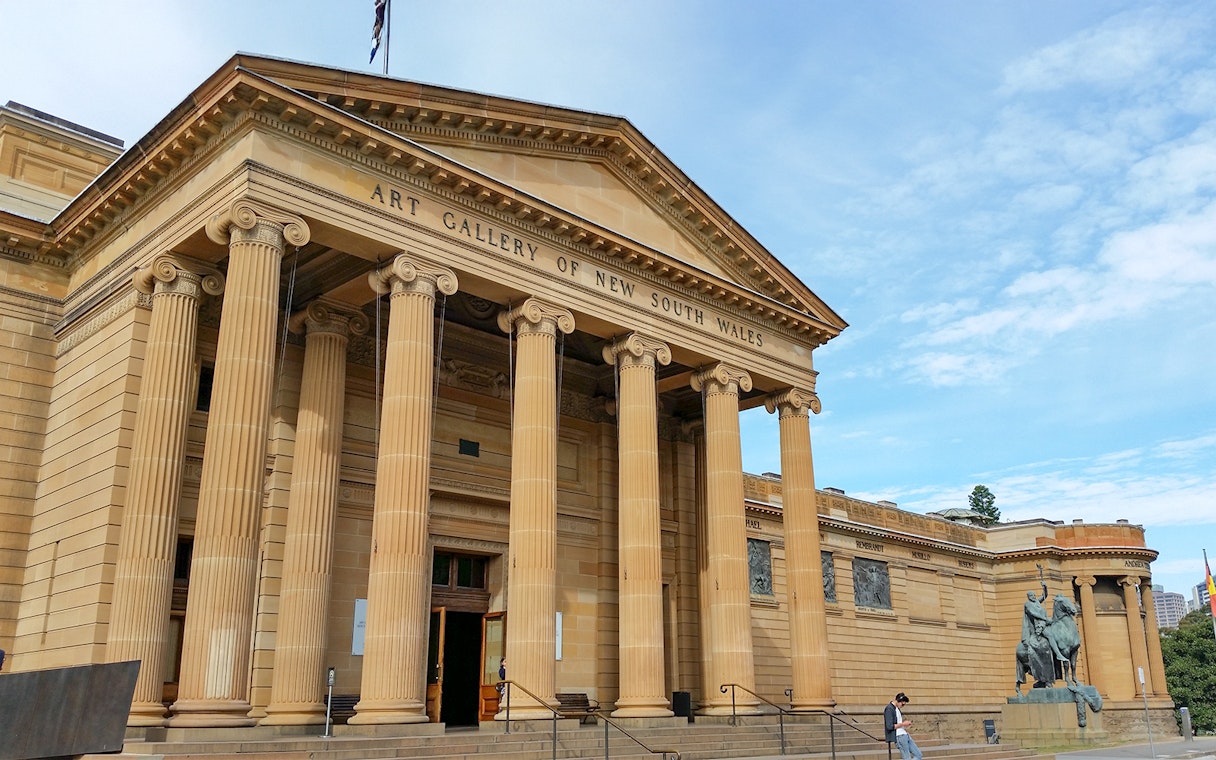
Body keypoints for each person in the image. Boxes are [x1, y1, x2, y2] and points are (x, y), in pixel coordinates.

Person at [884, 692, 923, 760]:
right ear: (898, 701)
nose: (902, 706)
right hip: (899, 736)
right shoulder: (889, 709)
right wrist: (903, 724)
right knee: (907, 758)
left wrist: (904, 728)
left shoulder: (897, 709)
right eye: (902, 704)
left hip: (904, 735)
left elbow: (898, 722)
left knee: (918, 755)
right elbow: (889, 726)